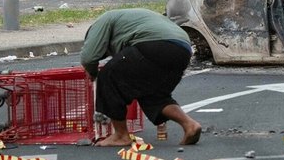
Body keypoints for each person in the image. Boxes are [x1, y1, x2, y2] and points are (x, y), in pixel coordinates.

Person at [81, 9, 202, 147]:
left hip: (156, 43)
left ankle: (121, 136)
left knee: (108, 76)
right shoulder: (128, 20)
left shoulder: (101, 23)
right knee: (153, 95)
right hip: (183, 50)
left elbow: (88, 57)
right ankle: (190, 125)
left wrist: (92, 72)